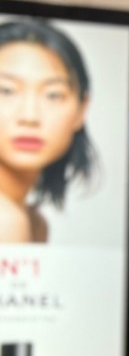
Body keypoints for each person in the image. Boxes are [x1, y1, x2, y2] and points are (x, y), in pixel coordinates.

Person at [0, 19, 95, 244]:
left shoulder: (35, 222)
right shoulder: (7, 220)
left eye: (53, 94)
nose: (30, 117)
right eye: (6, 90)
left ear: (82, 109)